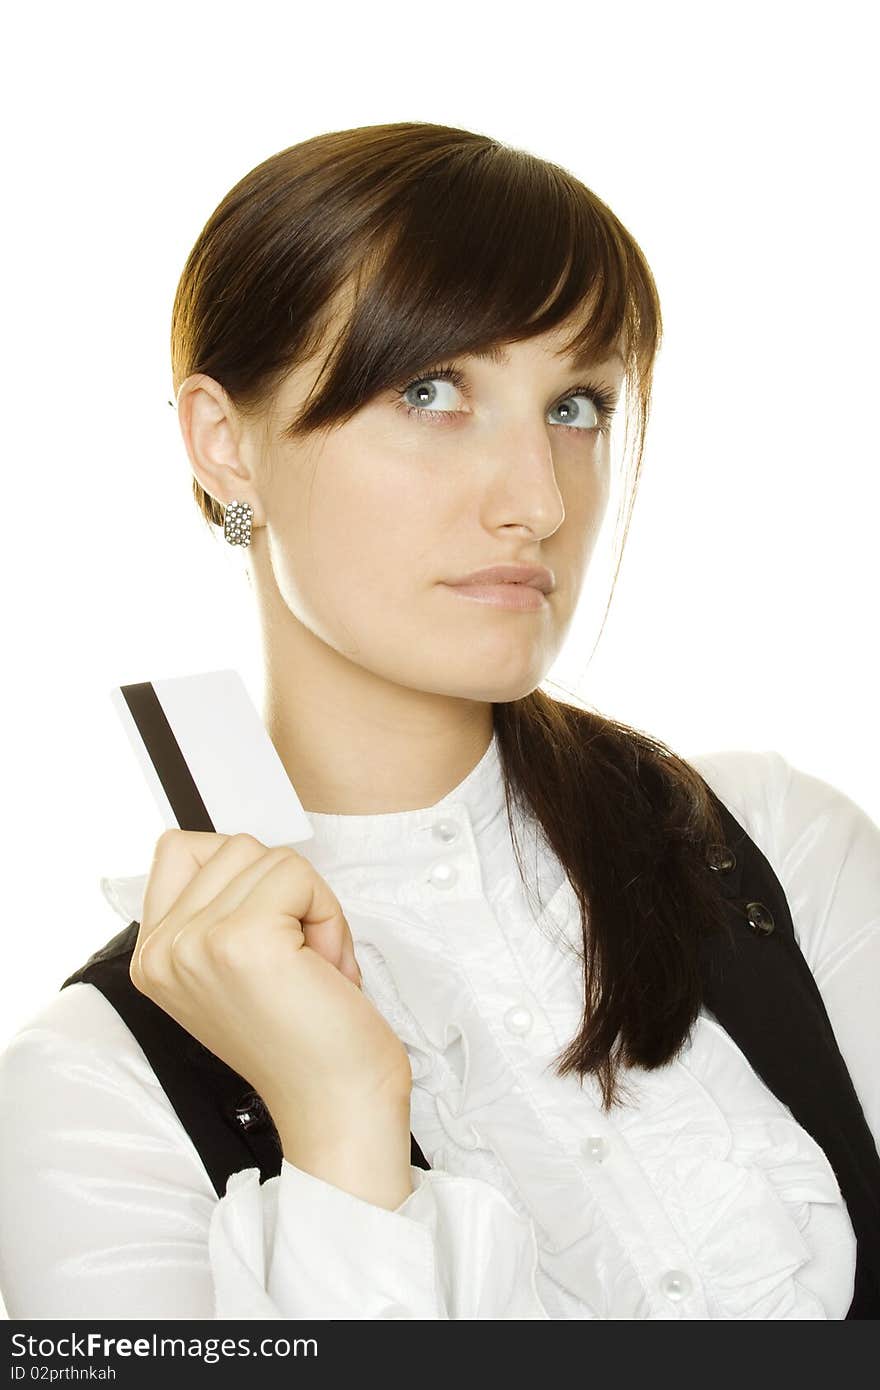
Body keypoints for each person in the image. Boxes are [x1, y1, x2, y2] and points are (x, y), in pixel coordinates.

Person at [0, 120, 877, 1321]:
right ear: (223, 443)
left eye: (575, 404)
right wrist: (342, 1121)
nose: (537, 501)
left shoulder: (773, 847)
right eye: (430, 390)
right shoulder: (91, 1093)